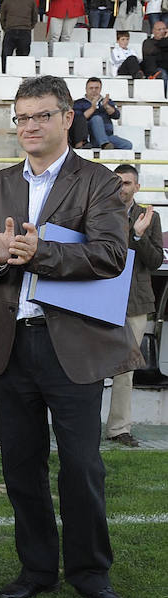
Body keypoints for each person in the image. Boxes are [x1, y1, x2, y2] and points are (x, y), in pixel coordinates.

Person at [0, 75, 139, 598]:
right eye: (22, 117)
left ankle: (90, 574)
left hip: (73, 346)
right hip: (11, 343)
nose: (30, 126)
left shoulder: (98, 182)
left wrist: (36, 254)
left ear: (68, 118)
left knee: (82, 466)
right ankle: (37, 568)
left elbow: (111, 254)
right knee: (20, 463)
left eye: (41, 115)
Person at [105, 164, 164, 446]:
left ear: (137, 187)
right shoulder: (100, 212)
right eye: (118, 182)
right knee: (87, 364)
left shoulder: (150, 217)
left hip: (135, 303)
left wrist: (138, 237)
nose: (122, 187)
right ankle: (81, 424)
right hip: (100, 299)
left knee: (125, 369)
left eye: (127, 183)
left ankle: (119, 429)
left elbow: (154, 262)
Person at [73, 77, 133, 150]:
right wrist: (92, 108)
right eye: (91, 88)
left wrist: (106, 106)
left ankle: (105, 144)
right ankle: (104, 144)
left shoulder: (106, 101)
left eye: (96, 88)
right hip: (90, 138)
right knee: (96, 118)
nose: (94, 90)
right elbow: (77, 120)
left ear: (100, 89)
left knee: (127, 145)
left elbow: (116, 115)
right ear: (86, 89)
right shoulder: (79, 103)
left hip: (107, 136)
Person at [0, 0, 37, 71]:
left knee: (23, 56)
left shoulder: (31, 1)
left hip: (25, 31)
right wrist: (7, 28)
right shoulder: (7, 2)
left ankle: (21, 74)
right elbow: (2, 18)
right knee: (6, 55)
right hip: (10, 31)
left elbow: (34, 18)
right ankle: (4, 74)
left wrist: (27, 27)